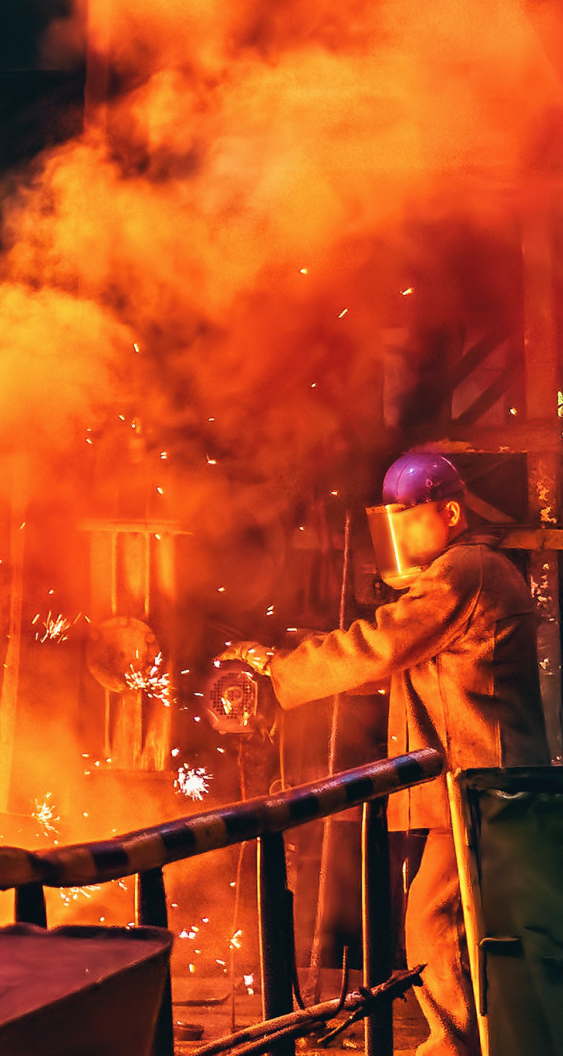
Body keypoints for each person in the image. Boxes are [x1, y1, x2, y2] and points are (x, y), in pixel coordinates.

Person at [226, 450, 551, 1056]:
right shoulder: (474, 572)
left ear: (449, 512)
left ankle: (455, 1047)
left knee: (435, 920)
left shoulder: (464, 571)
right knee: (474, 924)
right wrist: (305, 659)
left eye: (411, 518)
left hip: (483, 782)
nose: (400, 536)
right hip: (484, 781)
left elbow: (381, 645)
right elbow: (404, 663)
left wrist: (280, 667)